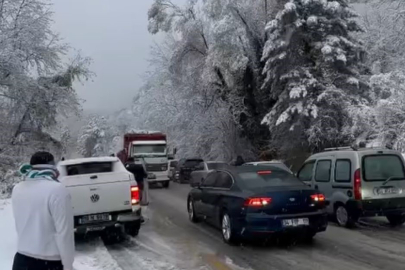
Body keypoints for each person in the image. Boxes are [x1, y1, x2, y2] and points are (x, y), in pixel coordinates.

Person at [12, 151, 75, 270]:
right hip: (49, 262)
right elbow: (64, 233)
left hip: (21, 259)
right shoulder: (57, 190)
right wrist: (68, 266)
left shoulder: (17, 189)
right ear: (52, 166)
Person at [125, 157, 148, 222]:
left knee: (129, 200)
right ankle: (139, 215)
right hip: (139, 185)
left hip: (128, 186)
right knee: (138, 201)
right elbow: (145, 175)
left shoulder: (125, 167)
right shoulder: (139, 167)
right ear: (133, 161)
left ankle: (129, 213)